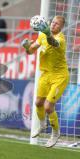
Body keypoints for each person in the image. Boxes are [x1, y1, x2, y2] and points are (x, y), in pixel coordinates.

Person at [21, 15, 69, 148]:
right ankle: (42, 124)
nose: (54, 25)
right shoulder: (42, 35)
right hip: (45, 75)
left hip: (59, 76)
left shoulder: (60, 39)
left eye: (57, 24)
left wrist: (48, 33)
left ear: (61, 27)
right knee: (38, 103)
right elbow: (31, 51)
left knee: (48, 106)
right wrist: (26, 47)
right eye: (53, 22)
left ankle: (55, 133)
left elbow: (53, 42)